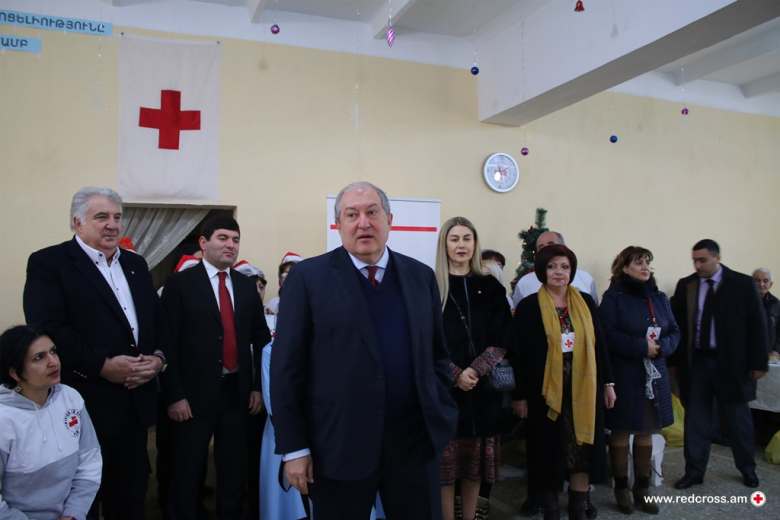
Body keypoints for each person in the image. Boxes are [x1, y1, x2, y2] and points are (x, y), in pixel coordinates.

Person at [271, 181, 457, 520]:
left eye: (372, 212)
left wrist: (439, 413)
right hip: (336, 449)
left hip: (412, 447)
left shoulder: (421, 277)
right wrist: (294, 448)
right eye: (351, 214)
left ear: (389, 219)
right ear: (338, 224)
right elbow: (287, 369)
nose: (363, 222)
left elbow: (436, 355)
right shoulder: (308, 279)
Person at [23, 187, 163, 520]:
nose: (112, 225)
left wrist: (158, 358)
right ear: (76, 222)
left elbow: (157, 320)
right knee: (81, 499)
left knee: (129, 495)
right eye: (101, 217)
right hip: (82, 402)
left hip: (134, 404)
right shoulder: (49, 263)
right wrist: (101, 366)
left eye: (117, 217)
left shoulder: (136, 264)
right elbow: (48, 327)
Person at [160, 216, 270, 519]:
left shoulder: (247, 287)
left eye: (235, 239)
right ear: (203, 242)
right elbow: (166, 343)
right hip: (191, 398)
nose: (230, 245)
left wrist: (257, 387)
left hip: (236, 394)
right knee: (188, 471)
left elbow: (261, 340)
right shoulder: (180, 284)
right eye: (223, 238)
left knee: (233, 471)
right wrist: (174, 395)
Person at [510, 244, 615, 520]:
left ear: (572, 271)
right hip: (544, 393)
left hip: (585, 389)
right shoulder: (530, 307)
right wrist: (519, 396)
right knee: (548, 453)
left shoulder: (586, 303)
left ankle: (579, 510)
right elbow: (518, 355)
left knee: (582, 451)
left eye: (565, 267)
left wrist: (609, 384)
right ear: (542, 271)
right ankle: (552, 511)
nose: (559, 272)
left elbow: (600, 345)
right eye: (553, 266)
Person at [669, 239, 768, 489]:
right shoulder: (688, 285)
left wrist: (759, 362)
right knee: (696, 420)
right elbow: (677, 326)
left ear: (717, 258)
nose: (697, 265)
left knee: (737, 420)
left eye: (702, 260)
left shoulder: (743, 284)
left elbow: (758, 325)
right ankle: (694, 471)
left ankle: (747, 469)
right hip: (698, 363)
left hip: (733, 365)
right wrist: (674, 364)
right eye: (694, 260)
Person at [436, 218, 513, 520]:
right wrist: (455, 373)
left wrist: (476, 371)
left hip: (483, 392)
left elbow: (504, 336)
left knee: (473, 467)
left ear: (475, 244)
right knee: (446, 470)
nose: (461, 245)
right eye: (454, 239)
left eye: (467, 238)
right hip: (445, 391)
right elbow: (424, 341)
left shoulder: (490, 286)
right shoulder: (432, 287)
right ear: (445, 244)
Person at [599, 247, 680, 513]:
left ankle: (642, 488)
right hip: (625, 374)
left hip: (654, 375)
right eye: (638, 263)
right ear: (624, 268)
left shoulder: (659, 297)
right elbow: (606, 335)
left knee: (647, 430)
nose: (645, 267)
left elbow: (674, 331)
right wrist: (640, 347)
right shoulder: (614, 298)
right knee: (622, 430)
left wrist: (663, 347)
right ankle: (621, 487)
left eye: (647, 262)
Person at [0, 325, 102, 519]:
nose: (53, 362)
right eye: (39, 357)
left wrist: (74, 512)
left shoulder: (70, 398)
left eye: (53, 352)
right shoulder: (4, 418)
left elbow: (90, 459)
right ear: (14, 373)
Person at [511, 231, 598, 310]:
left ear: (563, 247)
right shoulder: (524, 283)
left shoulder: (586, 279)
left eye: (551, 244)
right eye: (541, 247)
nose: (546, 249)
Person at [753, 268, 780, 356]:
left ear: (771, 284)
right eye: (757, 280)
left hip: (769, 355)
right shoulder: (743, 301)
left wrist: (776, 349)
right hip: (748, 354)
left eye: (765, 281)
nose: (761, 284)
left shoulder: (776, 304)